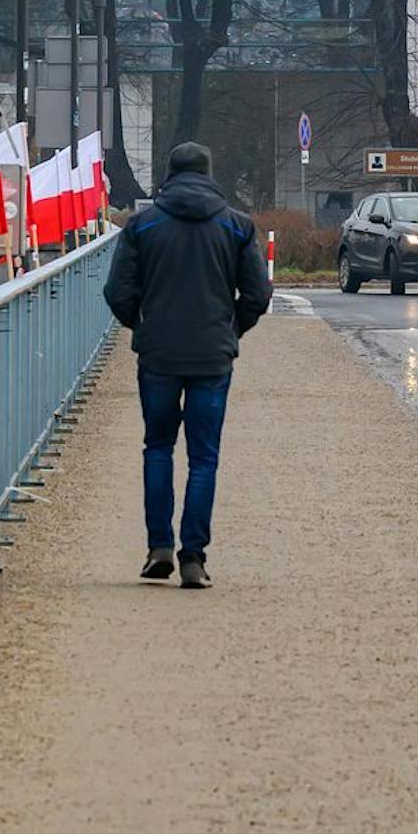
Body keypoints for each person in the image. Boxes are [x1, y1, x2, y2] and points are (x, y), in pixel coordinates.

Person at [102, 141, 271, 589]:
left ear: (170, 174)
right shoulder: (236, 226)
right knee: (204, 458)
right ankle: (193, 557)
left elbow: (117, 292)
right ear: (208, 173)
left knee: (158, 447)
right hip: (212, 355)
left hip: (158, 354)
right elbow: (257, 295)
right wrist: (231, 330)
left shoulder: (143, 225)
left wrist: (142, 326)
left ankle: (159, 547)